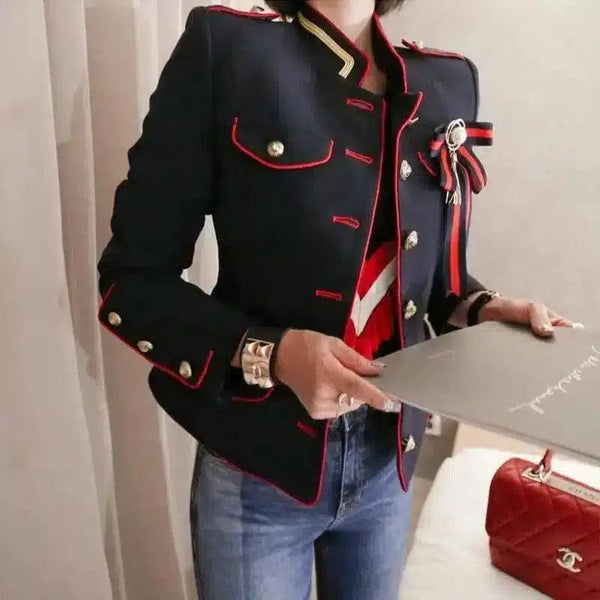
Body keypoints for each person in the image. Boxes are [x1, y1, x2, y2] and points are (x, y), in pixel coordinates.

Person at [96, 1, 574, 598]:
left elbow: (433, 283)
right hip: (260, 466)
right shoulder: (228, 51)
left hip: (389, 461)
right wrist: (273, 354)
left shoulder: (447, 83)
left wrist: (483, 308)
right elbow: (132, 282)